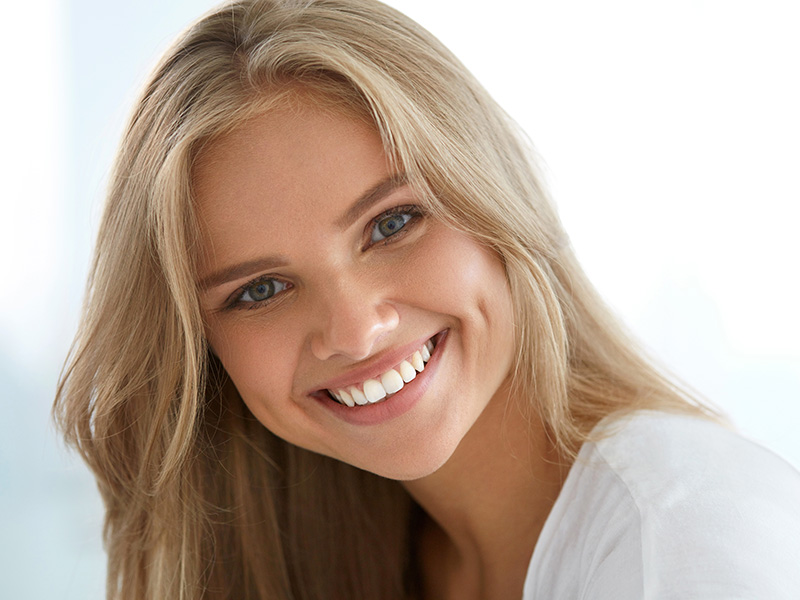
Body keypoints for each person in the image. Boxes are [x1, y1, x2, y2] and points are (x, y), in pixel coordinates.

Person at [55, 0, 800, 598]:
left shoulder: (682, 544)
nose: (354, 330)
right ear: (200, 350)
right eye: (261, 289)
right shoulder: (353, 548)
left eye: (393, 222)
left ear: (493, 198)